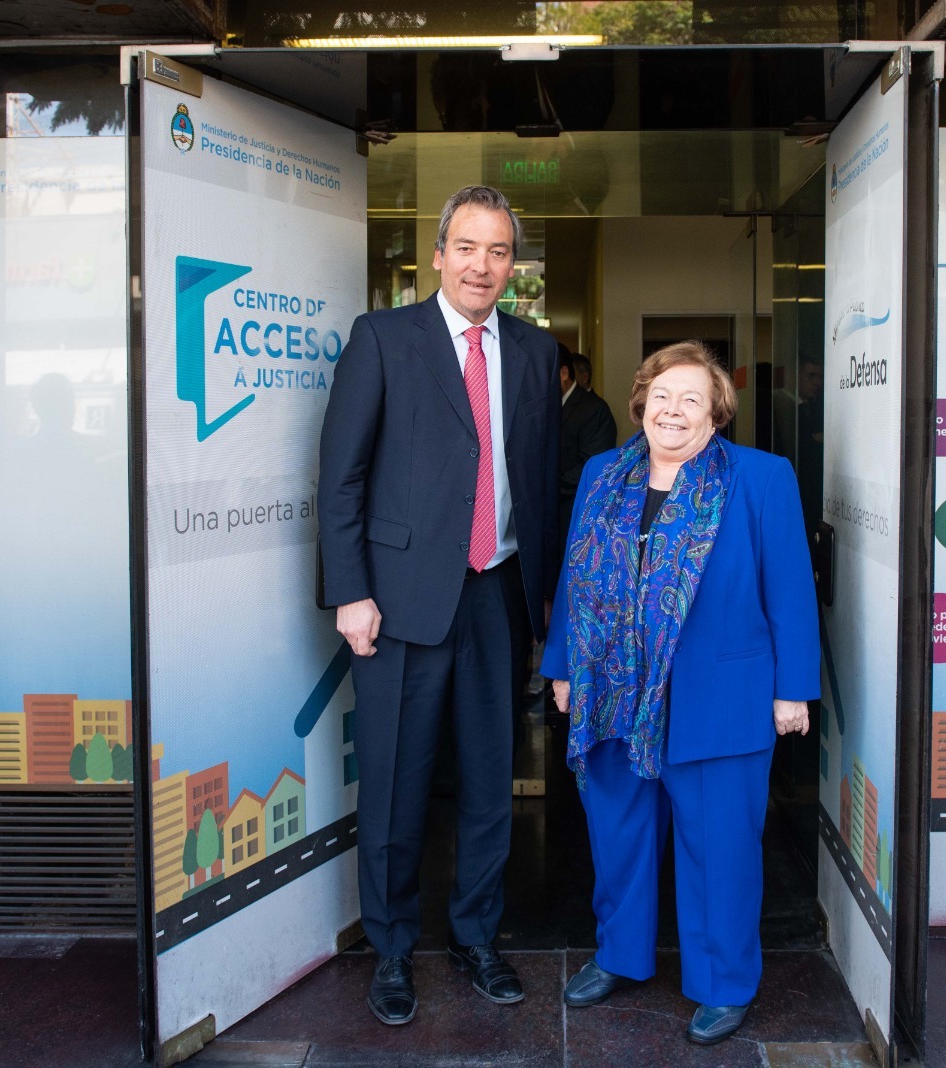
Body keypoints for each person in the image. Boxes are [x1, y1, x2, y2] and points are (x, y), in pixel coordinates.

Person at [318, 185, 560, 1026]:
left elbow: (536, 483)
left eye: (499, 252)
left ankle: (475, 937)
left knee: (494, 781)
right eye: (467, 247)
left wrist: (549, 600)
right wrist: (349, 590)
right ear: (437, 253)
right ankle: (391, 949)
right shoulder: (383, 339)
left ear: (512, 264)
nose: (482, 265)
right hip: (397, 603)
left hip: (499, 596)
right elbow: (341, 476)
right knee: (393, 784)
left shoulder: (535, 350)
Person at [541, 341, 819, 1046]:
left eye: (692, 398)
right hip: (613, 691)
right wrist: (565, 664)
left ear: (718, 412)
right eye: (663, 395)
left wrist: (793, 689)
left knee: (720, 846)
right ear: (641, 401)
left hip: (719, 695)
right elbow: (575, 579)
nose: (674, 410)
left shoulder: (760, 478)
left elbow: (790, 588)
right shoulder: (605, 473)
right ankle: (619, 955)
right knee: (620, 834)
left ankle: (724, 982)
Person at [558, 348, 617, 552]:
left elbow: (594, 466)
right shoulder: (551, 405)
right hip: (555, 512)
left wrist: (550, 487)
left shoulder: (594, 409)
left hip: (576, 509)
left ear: (563, 374)